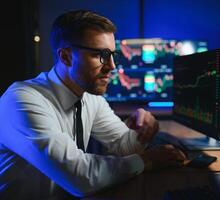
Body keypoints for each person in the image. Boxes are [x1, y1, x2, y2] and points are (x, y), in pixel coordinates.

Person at [0, 10, 186, 199]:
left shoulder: (89, 97)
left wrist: (144, 131)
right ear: (66, 57)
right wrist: (147, 161)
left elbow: (123, 146)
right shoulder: (21, 100)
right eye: (102, 55)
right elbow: (80, 176)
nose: (112, 66)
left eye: (113, 55)